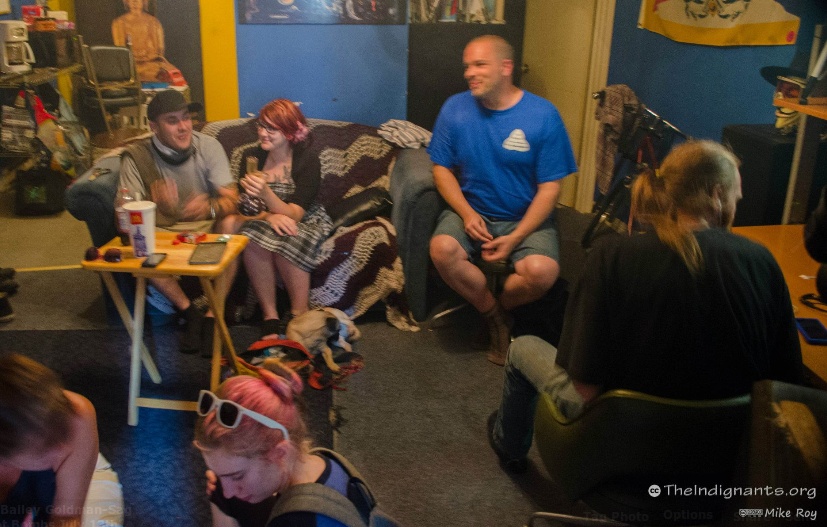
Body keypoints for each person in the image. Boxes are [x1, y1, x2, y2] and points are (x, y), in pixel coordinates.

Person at [488, 140, 804, 474]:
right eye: (735, 197)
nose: (736, 206)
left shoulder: (610, 257)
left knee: (522, 347)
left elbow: (585, 388)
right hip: (723, 459)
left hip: (622, 449)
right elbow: (786, 383)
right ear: (715, 194)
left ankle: (509, 446)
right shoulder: (761, 262)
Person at [427, 35, 578, 366]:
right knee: (442, 250)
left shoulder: (543, 115)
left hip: (525, 216)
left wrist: (517, 237)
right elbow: (441, 170)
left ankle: (499, 306)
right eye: (467, 65)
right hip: (473, 210)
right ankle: (493, 315)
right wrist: (466, 214)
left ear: (506, 67)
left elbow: (551, 188)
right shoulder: (455, 108)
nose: (469, 73)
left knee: (541, 273)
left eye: (480, 64)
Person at [119, 89, 238, 354]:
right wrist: (152, 206)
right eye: (172, 121)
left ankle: (211, 316)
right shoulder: (137, 157)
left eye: (186, 118)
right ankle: (188, 310)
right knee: (136, 241)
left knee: (232, 223)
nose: (184, 127)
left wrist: (210, 207)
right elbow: (125, 222)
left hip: (205, 229)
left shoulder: (208, 146)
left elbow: (233, 200)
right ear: (153, 127)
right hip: (161, 233)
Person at [193, 360, 364, 527]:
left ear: (280, 453)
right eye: (220, 474)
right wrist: (224, 480)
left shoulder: (298, 521)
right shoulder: (327, 460)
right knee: (221, 495)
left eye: (237, 476)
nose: (228, 491)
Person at [225, 99, 332, 340]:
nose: (262, 133)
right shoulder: (251, 157)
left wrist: (266, 195)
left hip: (304, 218)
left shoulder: (308, 160)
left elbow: (296, 213)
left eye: (271, 129)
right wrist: (268, 215)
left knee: (289, 232)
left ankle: (298, 312)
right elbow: (246, 206)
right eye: (261, 126)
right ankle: (270, 317)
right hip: (264, 217)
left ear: (289, 132)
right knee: (251, 235)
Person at [0, 353, 123, 527]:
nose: (65, 449)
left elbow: (67, 517)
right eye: (47, 446)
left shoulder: (76, 415)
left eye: (63, 431)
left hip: (84, 472)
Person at [111, 0, 180, 83]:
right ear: (126, 2)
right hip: (131, 66)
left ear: (144, 2)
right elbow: (120, 51)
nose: (135, 2)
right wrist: (136, 57)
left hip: (151, 64)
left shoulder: (153, 22)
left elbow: (159, 50)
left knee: (168, 71)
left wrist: (149, 56)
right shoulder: (119, 23)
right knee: (128, 72)